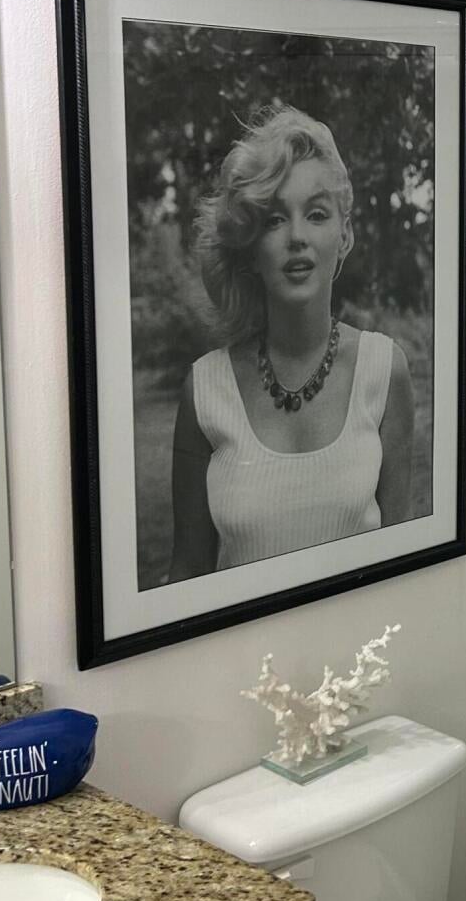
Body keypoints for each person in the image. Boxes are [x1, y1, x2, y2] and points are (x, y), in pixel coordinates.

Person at [167, 104, 414, 580]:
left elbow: (400, 568)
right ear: (250, 249)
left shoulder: (385, 371)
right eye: (275, 220)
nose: (297, 236)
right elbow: (187, 573)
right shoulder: (204, 390)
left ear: (344, 236)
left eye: (316, 214)